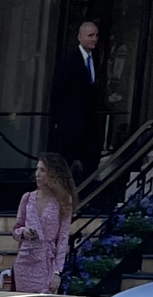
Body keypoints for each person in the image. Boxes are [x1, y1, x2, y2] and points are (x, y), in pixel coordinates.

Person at [47, 19, 105, 180]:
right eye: (90, 35)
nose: (94, 39)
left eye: (96, 35)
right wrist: (58, 119)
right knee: (65, 161)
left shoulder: (95, 59)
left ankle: (85, 194)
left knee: (90, 160)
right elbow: (58, 90)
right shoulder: (71, 59)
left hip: (88, 123)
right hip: (71, 122)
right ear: (80, 37)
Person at [11, 154, 75, 292]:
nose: (37, 174)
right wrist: (23, 232)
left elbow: (63, 238)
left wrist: (57, 272)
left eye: (43, 170)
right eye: (37, 169)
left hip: (47, 263)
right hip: (25, 260)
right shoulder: (27, 198)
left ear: (54, 174)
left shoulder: (63, 200)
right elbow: (15, 230)